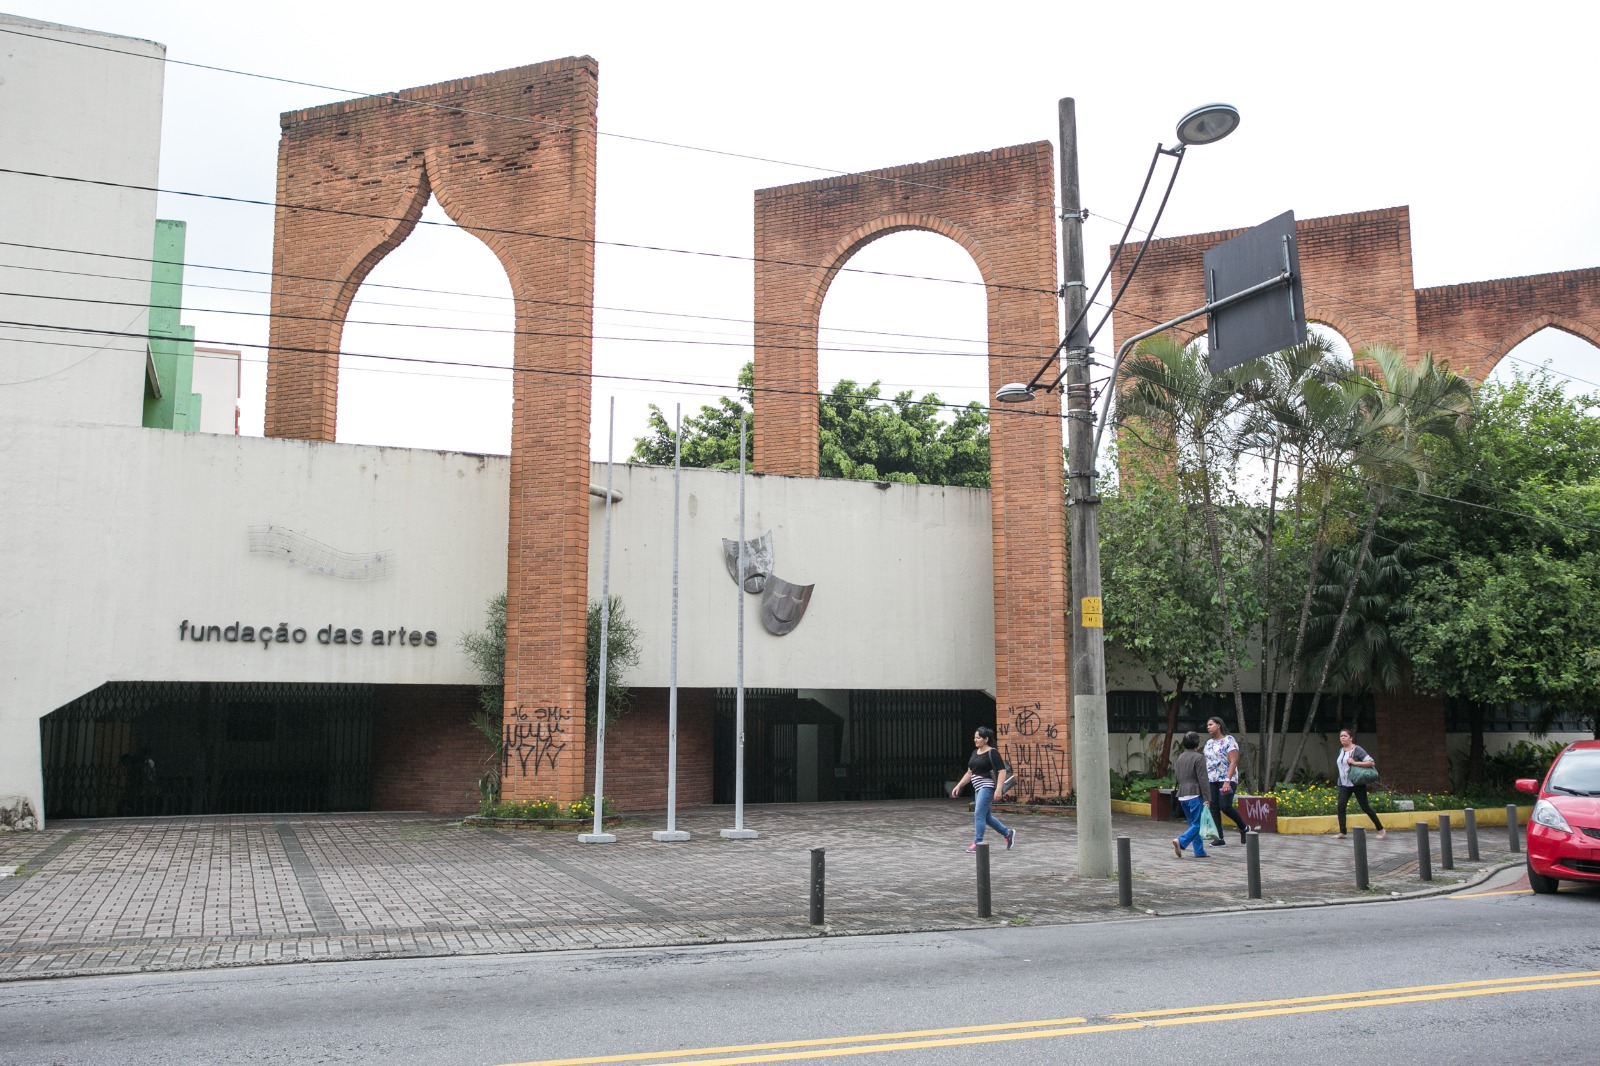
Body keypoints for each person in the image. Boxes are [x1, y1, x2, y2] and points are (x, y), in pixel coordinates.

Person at [950, 726, 1016, 853]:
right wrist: (959, 785)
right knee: (986, 817)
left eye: (978, 738)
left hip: (987, 787)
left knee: (979, 814)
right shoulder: (975, 753)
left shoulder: (993, 752)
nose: (975, 740)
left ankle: (977, 843)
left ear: (986, 739)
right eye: (975, 738)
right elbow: (969, 773)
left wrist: (998, 789)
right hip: (978, 788)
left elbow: (1002, 771)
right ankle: (1008, 833)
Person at [1204, 716, 1248, 846]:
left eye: (1211, 724)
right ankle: (1219, 838)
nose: (1208, 727)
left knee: (1225, 806)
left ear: (1218, 725)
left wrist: (1227, 781)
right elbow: (1206, 761)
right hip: (1212, 779)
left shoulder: (1229, 740)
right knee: (1214, 807)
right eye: (1207, 725)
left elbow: (1233, 761)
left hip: (1227, 779)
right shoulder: (1209, 743)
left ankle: (1244, 827)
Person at [1335, 728, 1386, 839]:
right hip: (1344, 784)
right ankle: (1342, 832)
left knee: (1365, 807)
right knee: (1341, 807)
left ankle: (1380, 829)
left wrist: (1355, 762)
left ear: (1351, 738)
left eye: (1345, 736)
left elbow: (1371, 762)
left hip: (1357, 783)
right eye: (1341, 736)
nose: (1343, 738)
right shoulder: (1341, 751)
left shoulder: (1357, 749)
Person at [1171, 731, 1210, 858]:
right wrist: (1207, 798)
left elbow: (1178, 776)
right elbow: (1203, 779)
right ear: (1197, 744)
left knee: (1193, 824)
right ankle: (1181, 840)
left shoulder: (1180, 757)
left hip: (1182, 795)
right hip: (1195, 794)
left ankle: (1199, 851)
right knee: (1198, 824)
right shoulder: (1199, 758)